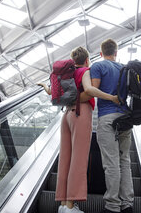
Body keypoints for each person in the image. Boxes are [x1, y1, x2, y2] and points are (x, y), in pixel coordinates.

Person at [39, 46, 119, 213]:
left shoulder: (65, 74)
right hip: (80, 114)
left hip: (66, 115)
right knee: (78, 160)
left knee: (65, 159)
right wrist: (111, 97)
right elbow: (89, 90)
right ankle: (70, 206)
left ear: (72, 60)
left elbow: (52, 93)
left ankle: (62, 204)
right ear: (87, 60)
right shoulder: (84, 71)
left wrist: (44, 87)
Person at [90, 39, 134, 213]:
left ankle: (113, 206)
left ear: (101, 53)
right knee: (125, 161)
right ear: (116, 52)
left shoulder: (98, 66)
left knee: (111, 163)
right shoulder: (125, 69)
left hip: (107, 118)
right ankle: (127, 204)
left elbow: (92, 90)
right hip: (125, 119)